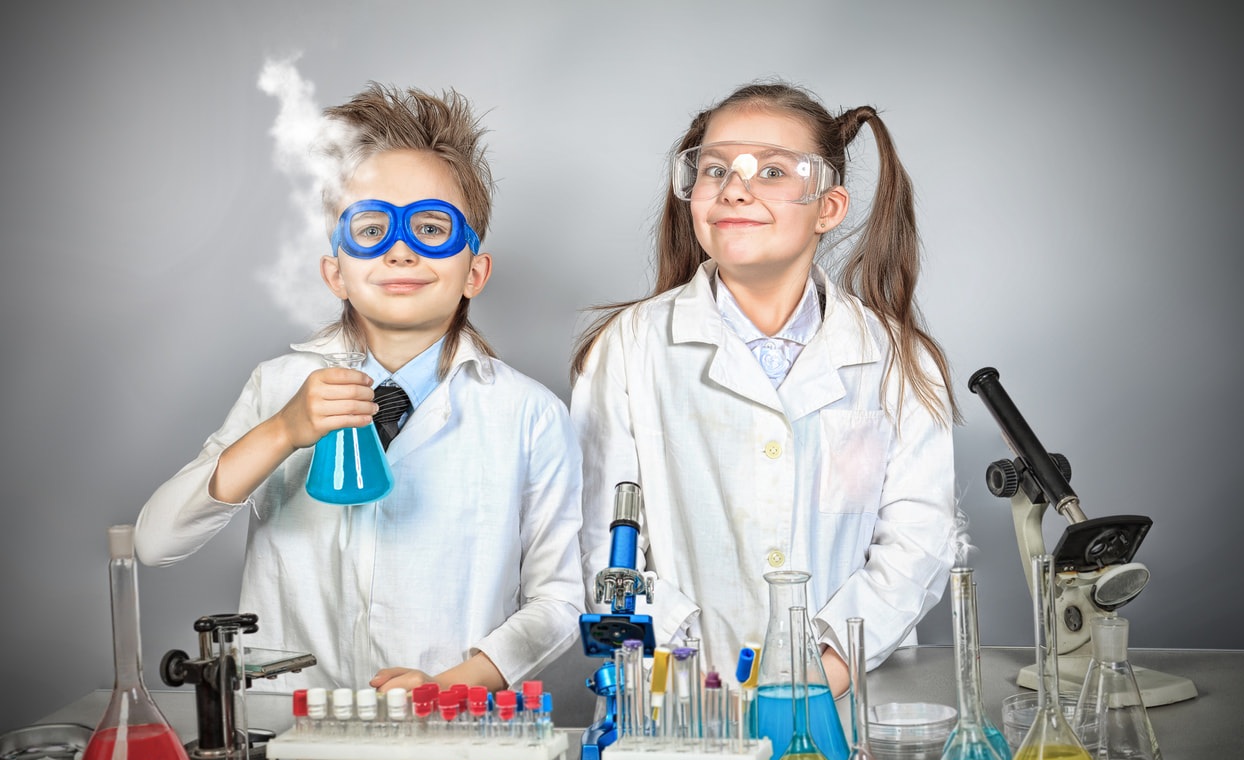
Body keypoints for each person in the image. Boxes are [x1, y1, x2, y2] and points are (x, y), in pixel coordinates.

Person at [135, 83, 584, 695]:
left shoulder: (528, 413)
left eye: (431, 228)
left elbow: (559, 599)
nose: (401, 250)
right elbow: (156, 541)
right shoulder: (281, 388)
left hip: (445, 745)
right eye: (372, 229)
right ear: (336, 273)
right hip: (290, 736)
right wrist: (283, 432)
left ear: (474, 272)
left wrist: (451, 686)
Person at [570, 81, 958, 695]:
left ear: (828, 207)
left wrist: (822, 673)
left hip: (844, 694)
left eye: (772, 170)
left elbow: (917, 542)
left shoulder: (895, 359)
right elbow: (598, 538)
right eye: (715, 168)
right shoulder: (630, 347)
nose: (735, 189)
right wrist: (692, 664)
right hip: (687, 696)